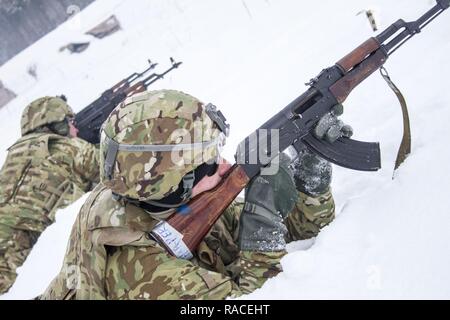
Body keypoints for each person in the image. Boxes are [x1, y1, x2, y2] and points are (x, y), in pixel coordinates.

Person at [41, 90, 347, 300]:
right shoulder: (142, 273)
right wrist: (261, 229)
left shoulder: (180, 207)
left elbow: (300, 232)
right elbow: (265, 298)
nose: (225, 165)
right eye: (210, 162)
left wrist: (310, 179)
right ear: (176, 183)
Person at [0, 96, 100, 294]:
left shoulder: (16, 154)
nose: (75, 129)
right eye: (70, 122)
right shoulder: (67, 147)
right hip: (23, 253)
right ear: (57, 124)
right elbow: (115, 167)